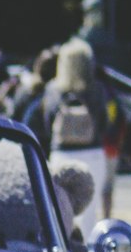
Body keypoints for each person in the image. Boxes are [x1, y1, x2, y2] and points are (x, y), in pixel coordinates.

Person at [42, 37, 108, 234]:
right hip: (92, 152)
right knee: (89, 214)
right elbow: (104, 124)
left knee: (62, 210)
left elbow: (47, 123)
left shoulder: (54, 89)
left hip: (63, 153)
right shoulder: (96, 89)